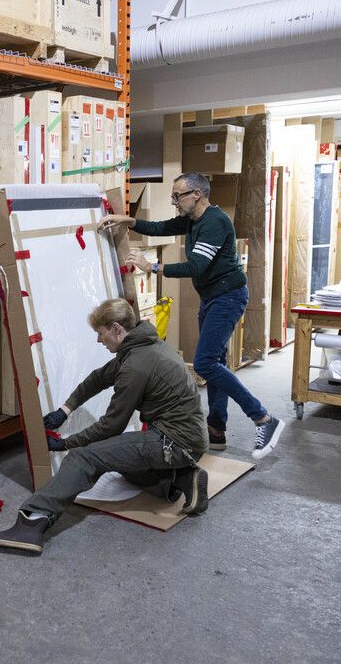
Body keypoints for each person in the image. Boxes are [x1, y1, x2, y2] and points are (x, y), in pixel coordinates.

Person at [0, 298, 208, 554]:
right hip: (181, 437)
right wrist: (64, 410)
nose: (99, 341)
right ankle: (182, 479)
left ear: (115, 329)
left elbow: (111, 426)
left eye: (101, 334)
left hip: (174, 442)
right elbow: (98, 379)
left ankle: (32, 521)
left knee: (84, 458)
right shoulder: (142, 347)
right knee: (120, 463)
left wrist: (65, 444)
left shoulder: (136, 365)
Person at [99, 171, 286, 460]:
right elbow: (162, 227)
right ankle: (216, 430)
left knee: (205, 363)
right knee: (216, 362)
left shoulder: (215, 222)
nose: (174, 201)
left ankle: (263, 418)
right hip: (212, 298)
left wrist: (154, 267)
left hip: (228, 297)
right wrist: (131, 221)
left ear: (196, 194)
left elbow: (196, 266)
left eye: (178, 196)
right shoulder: (193, 219)